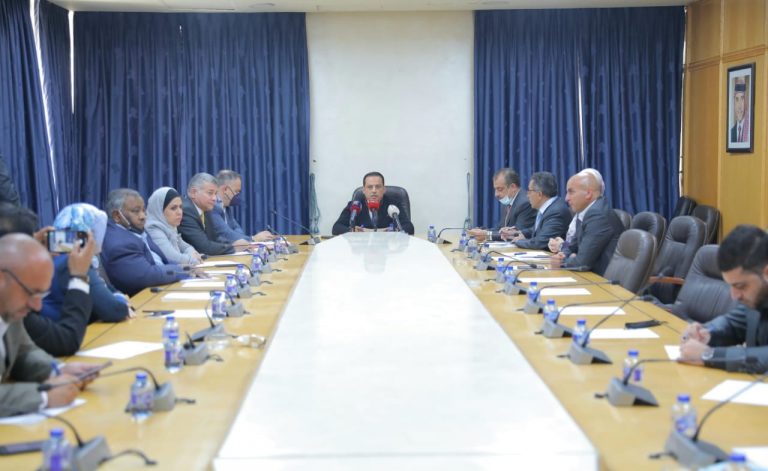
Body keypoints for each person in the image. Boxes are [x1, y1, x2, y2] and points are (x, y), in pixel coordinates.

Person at [0, 234, 100, 416]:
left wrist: (57, 370)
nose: (37, 306)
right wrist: (42, 396)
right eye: (32, 293)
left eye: (42, 295)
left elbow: (23, 352)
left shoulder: (10, 306)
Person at [0, 203, 99, 357]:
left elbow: (25, 355)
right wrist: (79, 276)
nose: (37, 304)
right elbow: (66, 340)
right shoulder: (12, 305)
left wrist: (55, 369)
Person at [679, 225, 768, 373]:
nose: (734, 295)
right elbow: (733, 324)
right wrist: (707, 333)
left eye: (740, 286)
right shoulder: (757, 296)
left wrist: (709, 355)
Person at [101, 188, 191, 296]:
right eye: (136, 211)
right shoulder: (119, 242)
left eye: (143, 210)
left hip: (161, 288)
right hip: (143, 298)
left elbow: (161, 261)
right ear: (117, 216)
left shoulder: (136, 231)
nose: (143, 216)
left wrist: (187, 268)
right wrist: (181, 270)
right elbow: (148, 276)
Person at [551, 170, 624, 275]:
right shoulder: (585, 212)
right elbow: (572, 246)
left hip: (600, 279)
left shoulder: (597, 215)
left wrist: (561, 262)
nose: (566, 198)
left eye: (571, 192)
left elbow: (581, 263)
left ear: (588, 194)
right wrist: (564, 255)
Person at [179, 173, 246, 255]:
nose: (214, 198)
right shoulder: (186, 211)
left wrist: (234, 244)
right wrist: (232, 248)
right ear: (193, 192)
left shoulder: (205, 209)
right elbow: (204, 247)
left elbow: (214, 238)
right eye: (210, 193)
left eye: (215, 193)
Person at [331, 172, 414, 235]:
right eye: (370, 187)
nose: (374, 191)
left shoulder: (393, 205)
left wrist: (394, 231)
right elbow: (336, 228)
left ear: (384, 189)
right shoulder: (355, 206)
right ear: (364, 190)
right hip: (362, 248)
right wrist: (351, 231)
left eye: (378, 187)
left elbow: (409, 228)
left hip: (387, 247)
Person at [468, 168, 536, 242]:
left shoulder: (525, 203)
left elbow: (516, 234)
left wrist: (487, 235)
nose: (496, 194)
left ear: (513, 187)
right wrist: (482, 232)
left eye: (500, 189)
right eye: (495, 189)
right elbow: (500, 229)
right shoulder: (508, 201)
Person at [507, 172, 571, 250]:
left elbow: (541, 242)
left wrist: (518, 241)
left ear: (539, 194)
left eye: (530, 191)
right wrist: (518, 233)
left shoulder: (556, 211)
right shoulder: (548, 207)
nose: (527, 195)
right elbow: (538, 230)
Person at [210, 169, 275, 243]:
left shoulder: (226, 207)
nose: (238, 195)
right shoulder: (212, 207)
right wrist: (253, 239)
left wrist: (245, 240)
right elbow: (226, 234)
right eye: (236, 191)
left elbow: (237, 228)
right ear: (225, 189)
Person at [145, 186, 203, 265]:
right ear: (159, 210)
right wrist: (193, 259)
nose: (179, 212)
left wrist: (192, 253)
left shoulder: (171, 227)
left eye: (180, 207)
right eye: (173, 208)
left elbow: (186, 247)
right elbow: (171, 257)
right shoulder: (153, 228)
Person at [730, 77, 748, 143]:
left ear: (746, 101)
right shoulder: (731, 132)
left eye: (742, 99)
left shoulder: (749, 130)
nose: (739, 106)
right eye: (737, 99)